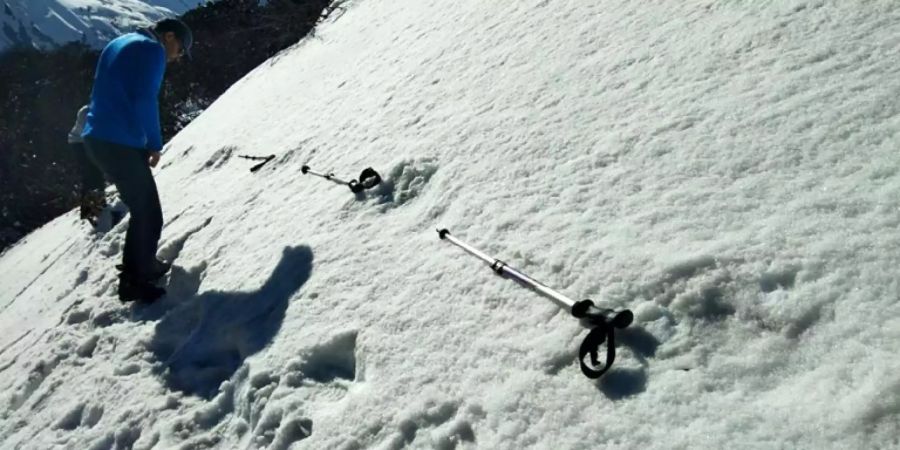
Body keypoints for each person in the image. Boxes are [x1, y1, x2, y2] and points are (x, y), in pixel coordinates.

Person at [82, 18, 193, 302]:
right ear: (169, 37)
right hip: (117, 141)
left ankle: (143, 266)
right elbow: (144, 99)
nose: (178, 57)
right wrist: (154, 143)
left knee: (143, 207)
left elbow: (116, 92)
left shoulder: (119, 42)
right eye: (180, 49)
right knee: (148, 212)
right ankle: (135, 281)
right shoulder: (152, 50)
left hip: (99, 138)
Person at [68, 104, 107, 225]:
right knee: (92, 174)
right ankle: (90, 210)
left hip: (90, 142)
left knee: (95, 174)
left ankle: (96, 205)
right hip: (79, 144)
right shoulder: (86, 112)